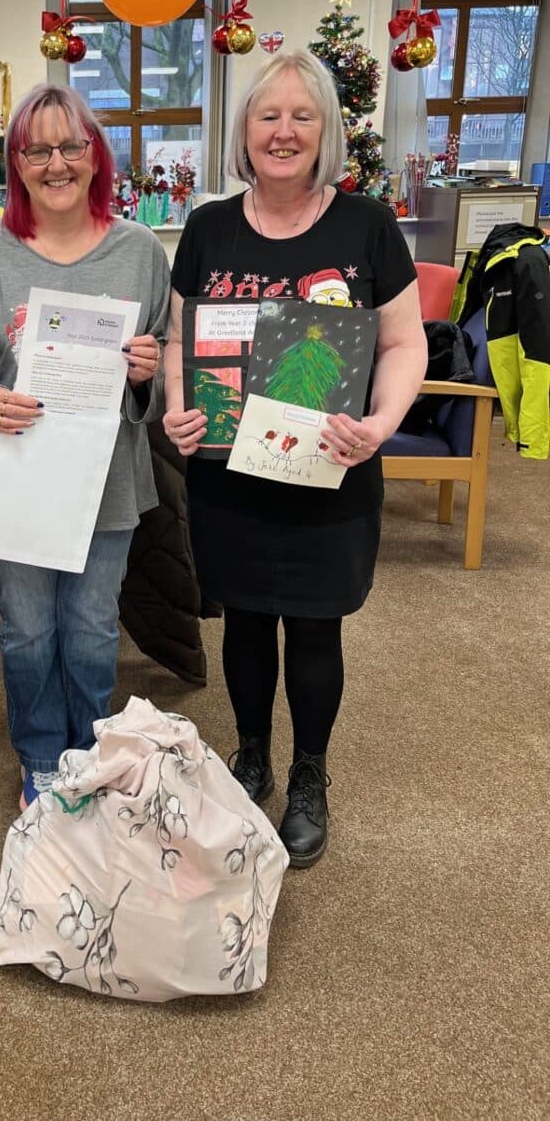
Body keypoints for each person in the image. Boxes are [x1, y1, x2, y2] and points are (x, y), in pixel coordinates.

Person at [163, 50, 427, 868]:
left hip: (330, 479)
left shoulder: (367, 226)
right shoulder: (208, 228)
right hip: (229, 479)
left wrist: (382, 422)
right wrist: (177, 407)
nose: (283, 131)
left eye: (301, 116)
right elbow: (177, 339)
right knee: (244, 620)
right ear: (245, 131)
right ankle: (252, 753)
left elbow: (404, 341)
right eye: (267, 115)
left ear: (326, 131)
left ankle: (309, 774)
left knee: (315, 628)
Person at [0, 83, 170, 810]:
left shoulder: (140, 252)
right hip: (16, 478)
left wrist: (146, 374)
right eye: (36, 150)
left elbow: (162, 369)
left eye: (71, 146)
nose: (56, 163)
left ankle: (88, 754)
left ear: (96, 155)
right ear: (15, 163)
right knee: (28, 630)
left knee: (93, 629)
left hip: (106, 481)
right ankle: (43, 757)